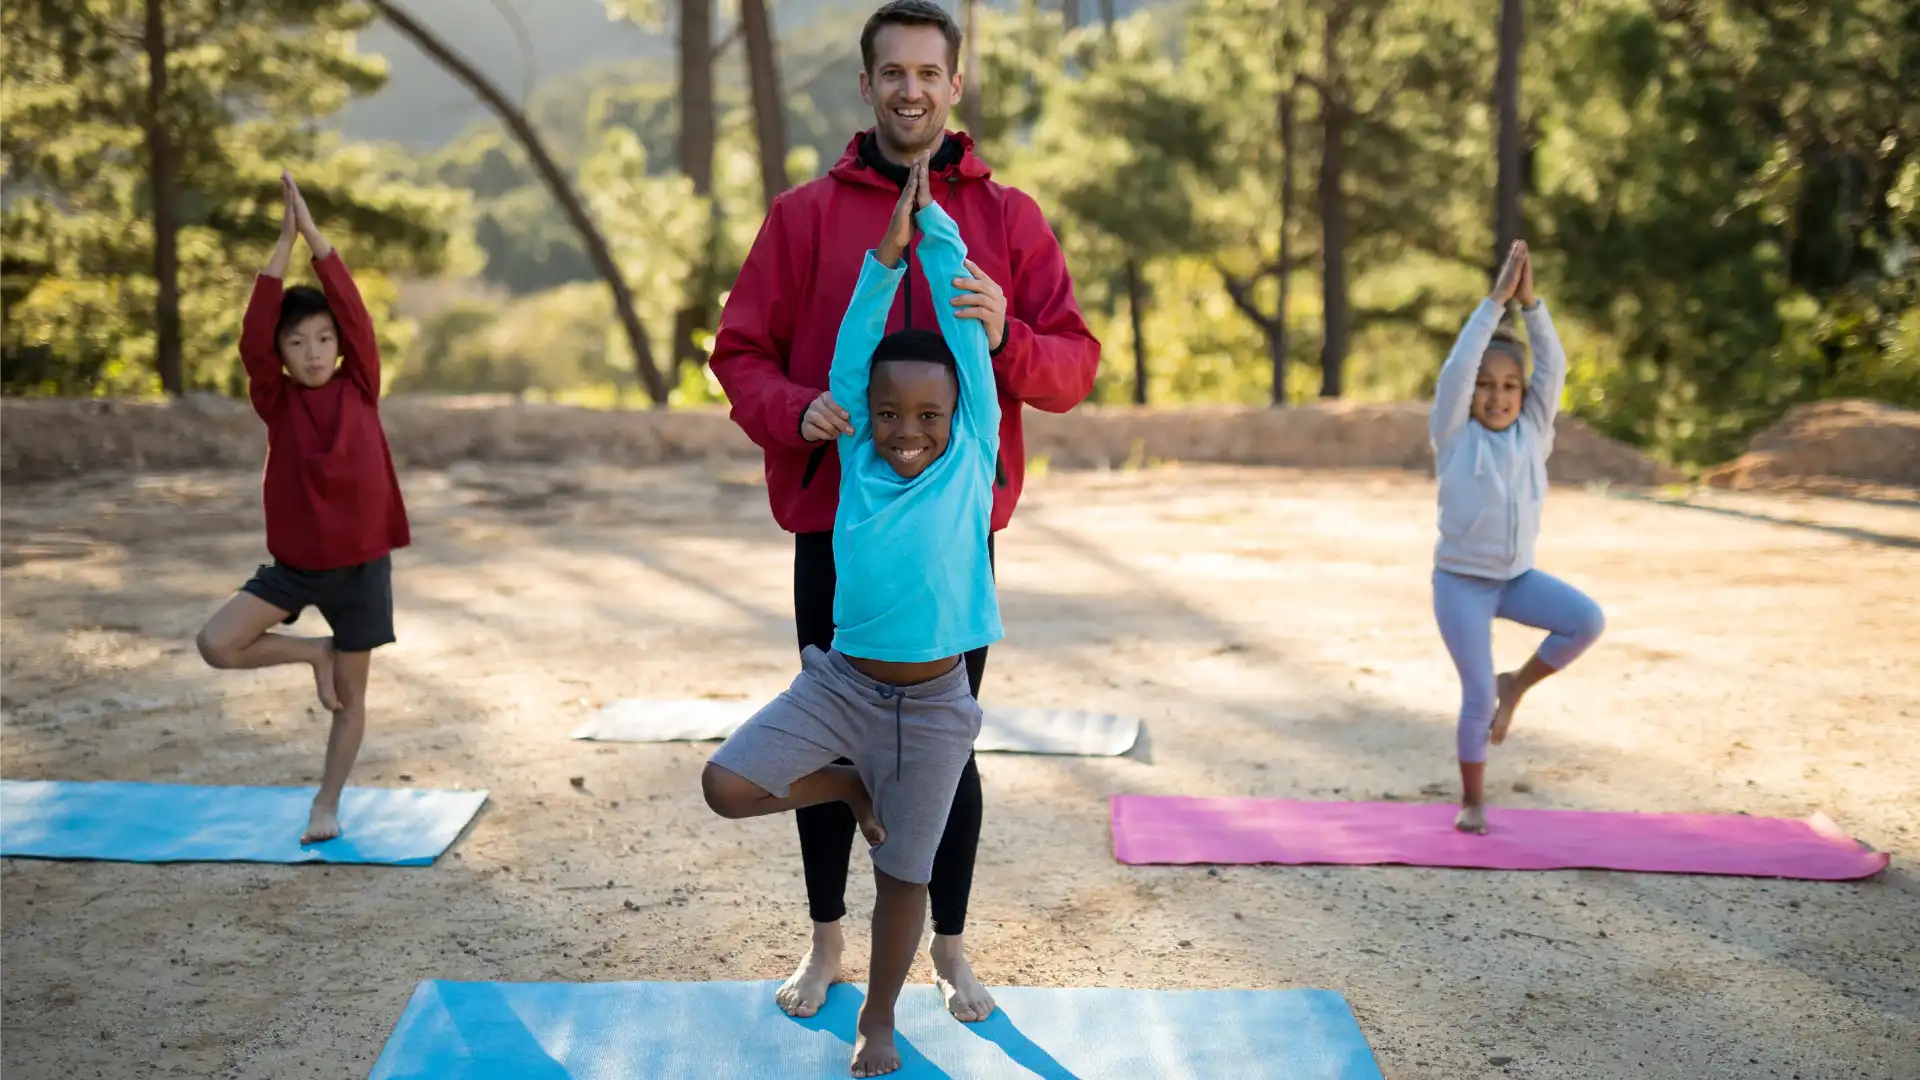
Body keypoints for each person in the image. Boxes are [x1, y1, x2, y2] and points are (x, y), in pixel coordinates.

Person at [708, 0, 1099, 1025]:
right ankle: (826, 938)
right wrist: (800, 412)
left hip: (956, 549)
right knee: (828, 745)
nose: (912, 90)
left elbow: (1074, 365)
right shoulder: (802, 217)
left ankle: (952, 951)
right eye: (894, 73)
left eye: (930, 72)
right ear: (869, 84)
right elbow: (738, 354)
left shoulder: (1009, 219)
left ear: (954, 85)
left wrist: (1009, 336)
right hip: (831, 531)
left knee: (945, 749)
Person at [704, 154, 999, 1078]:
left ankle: (879, 1018)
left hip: (936, 704)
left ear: (959, 414)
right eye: (891, 414)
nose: (909, 430)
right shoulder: (858, 466)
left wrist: (939, 229)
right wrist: (886, 253)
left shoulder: (971, 454)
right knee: (727, 787)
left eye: (928, 414)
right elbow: (851, 347)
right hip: (843, 686)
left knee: (903, 878)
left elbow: (965, 339)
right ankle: (850, 787)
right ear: (866, 417)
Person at [195, 171, 409, 846]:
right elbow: (252, 336)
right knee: (217, 643)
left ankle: (327, 804)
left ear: (337, 344)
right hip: (295, 568)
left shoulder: (363, 383)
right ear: (281, 357)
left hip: (362, 569)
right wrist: (282, 245)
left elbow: (354, 310)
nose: (312, 352)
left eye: (321, 339)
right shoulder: (276, 399)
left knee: (350, 700)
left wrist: (316, 236)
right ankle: (312, 651)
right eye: (296, 344)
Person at [1429, 240, 1606, 834]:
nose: (1496, 395)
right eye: (1487, 385)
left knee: (1586, 620)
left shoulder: (1534, 434)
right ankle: (1473, 800)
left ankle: (1519, 683)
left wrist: (1532, 308)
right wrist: (1495, 304)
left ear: (1524, 397)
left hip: (1516, 580)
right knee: (1476, 696)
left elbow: (1553, 365)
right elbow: (1457, 370)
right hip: (1461, 583)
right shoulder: (1453, 435)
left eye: (1509, 386)